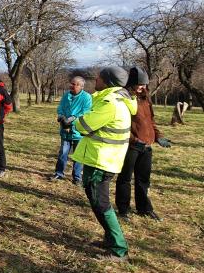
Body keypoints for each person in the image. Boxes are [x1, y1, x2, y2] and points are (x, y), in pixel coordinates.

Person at [71, 66, 137, 261]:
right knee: (96, 199)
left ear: (107, 81)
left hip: (102, 160)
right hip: (101, 158)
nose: (95, 80)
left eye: (98, 78)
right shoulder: (115, 100)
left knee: (101, 203)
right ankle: (110, 240)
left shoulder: (110, 103)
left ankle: (119, 249)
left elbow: (82, 125)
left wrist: (78, 121)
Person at [115, 66, 171, 222]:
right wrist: (134, 140)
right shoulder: (124, 98)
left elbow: (150, 121)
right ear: (131, 83)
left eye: (144, 84)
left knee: (143, 179)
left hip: (146, 146)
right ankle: (123, 209)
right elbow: (120, 123)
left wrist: (158, 136)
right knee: (125, 178)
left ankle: (144, 208)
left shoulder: (146, 98)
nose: (142, 87)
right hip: (131, 146)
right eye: (139, 84)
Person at [50, 76, 92, 184]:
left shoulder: (87, 97)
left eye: (75, 84)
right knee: (63, 153)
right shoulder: (66, 95)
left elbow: (86, 111)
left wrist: (72, 118)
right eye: (71, 83)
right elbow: (60, 107)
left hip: (79, 130)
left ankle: (77, 177)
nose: (71, 86)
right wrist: (61, 116)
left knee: (78, 155)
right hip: (65, 129)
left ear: (81, 86)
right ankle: (59, 173)